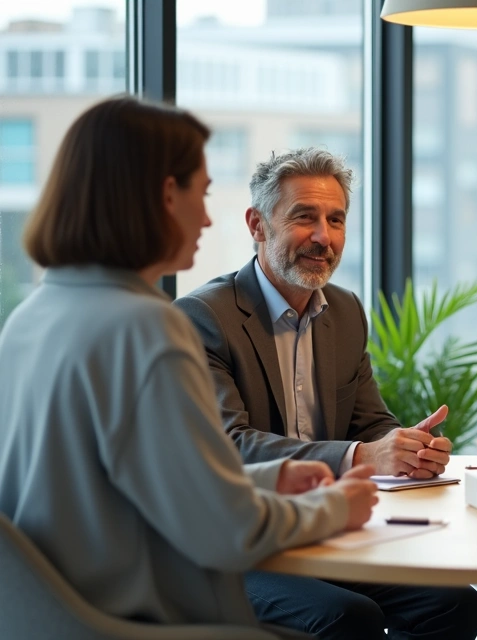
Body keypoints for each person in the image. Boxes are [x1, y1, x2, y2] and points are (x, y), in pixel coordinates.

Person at [0, 96, 379, 633]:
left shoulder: (32, 315)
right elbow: (223, 531)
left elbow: (136, 482)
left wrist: (273, 478)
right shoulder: (147, 328)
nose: (205, 217)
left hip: (54, 617)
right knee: (350, 622)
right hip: (145, 618)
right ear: (164, 196)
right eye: (201, 194)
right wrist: (339, 507)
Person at [174, 148, 477, 639]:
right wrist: (362, 455)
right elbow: (232, 446)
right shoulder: (202, 318)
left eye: (336, 219)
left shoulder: (343, 310)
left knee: (455, 604)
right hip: (239, 544)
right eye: (304, 217)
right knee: (347, 617)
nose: (324, 237)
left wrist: (405, 446)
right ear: (257, 225)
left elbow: (369, 423)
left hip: (324, 530)